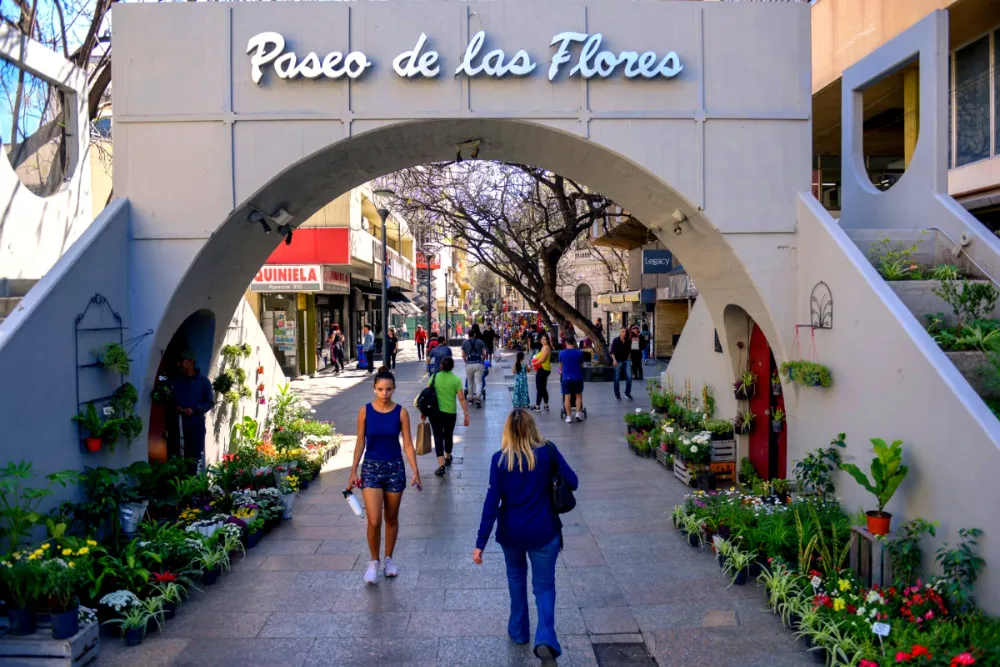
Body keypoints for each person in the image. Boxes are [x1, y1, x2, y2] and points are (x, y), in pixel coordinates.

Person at [473, 409, 578, 665]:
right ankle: (545, 638)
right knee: (544, 586)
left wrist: (480, 544)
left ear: (507, 431)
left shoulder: (500, 460)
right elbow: (573, 482)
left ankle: (519, 632)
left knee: (516, 579)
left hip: (512, 534)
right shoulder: (547, 452)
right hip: (544, 531)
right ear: (533, 428)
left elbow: (491, 504)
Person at [348, 367, 422, 585]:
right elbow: (360, 441)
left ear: (394, 390)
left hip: (394, 468)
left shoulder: (401, 413)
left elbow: (408, 443)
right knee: (373, 519)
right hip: (371, 468)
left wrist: (415, 470)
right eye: (380, 389)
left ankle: (389, 559)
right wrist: (353, 470)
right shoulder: (365, 411)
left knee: (391, 517)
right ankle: (374, 561)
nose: (384, 393)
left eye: (388, 389)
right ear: (374, 389)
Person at [171, 350, 214, 472]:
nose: (180, 364)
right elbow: (170, 398)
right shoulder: (175, 381)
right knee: (179, 456)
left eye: (182, 361)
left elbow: (209, 402)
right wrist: (176, 407)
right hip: (178, 425)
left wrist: (195, 410)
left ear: (191, 362)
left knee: (195, 457)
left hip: (196, 425)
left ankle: (194, 484)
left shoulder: (203, 382)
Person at [426, 356, 470, 477]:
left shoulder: (434, 378)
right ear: (452, 367)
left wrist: (424, 412)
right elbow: (461, 398)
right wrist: (466, 414)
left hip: (435, 413)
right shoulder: (456, 380)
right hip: (450, 413)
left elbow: (427, 394)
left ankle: (441, 465)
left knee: (438, 437)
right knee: (448, 435)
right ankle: (447, 457)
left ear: (441, 366)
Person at [559, 337, 586, 423]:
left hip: (566, 378)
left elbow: (560, 367)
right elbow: (581, 365)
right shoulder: (579, 353)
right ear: (574, 343)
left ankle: (569, 417)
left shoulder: (561, 353)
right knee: (578, 395)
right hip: (577, 377)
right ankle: (578, 413)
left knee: (567, 397)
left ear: (566, 342)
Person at [462, 329, 487, 408]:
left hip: (469, 364)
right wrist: (482, 361)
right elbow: (484, 353)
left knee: (470, 382)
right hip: (478, 364)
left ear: (468, 335)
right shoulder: (480, 342)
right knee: (479, 382)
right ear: (475, 334)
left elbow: (463, 355)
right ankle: (478, 398)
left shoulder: (465, 343)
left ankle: (470, 398)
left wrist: (466, 361)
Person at [610, 328, 633, 401]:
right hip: (618, 360)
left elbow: (629, 350)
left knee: (629, 377)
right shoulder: (616, 341)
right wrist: (614, 360)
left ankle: (627, 393)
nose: (624, 333)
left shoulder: (628, 341)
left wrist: (629, 358)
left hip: (626, 360)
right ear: (620, 332)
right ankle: (617, 395)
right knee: (616, 378)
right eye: (623, 331)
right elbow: (612, 352)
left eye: (625, 332)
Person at [531, 333, 552, 412]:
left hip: (543, 369)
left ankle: (537, 406)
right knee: (542, 388)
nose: (543, 340)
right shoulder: (543, 347)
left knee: (539, 388)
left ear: (547, 340)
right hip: (543, 368)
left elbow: (543, 359)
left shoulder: (546, 348)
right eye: (542, 339)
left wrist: (533, 363)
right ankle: (546, 405)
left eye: (545, 339)